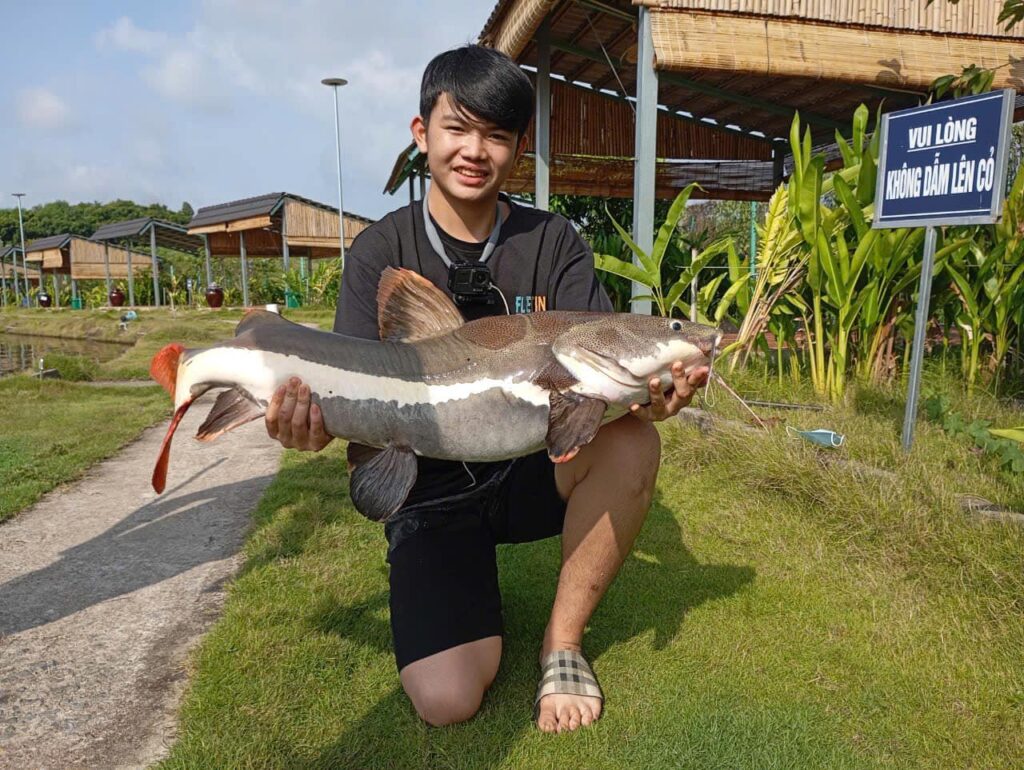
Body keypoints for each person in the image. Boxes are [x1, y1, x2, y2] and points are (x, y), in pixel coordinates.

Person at [265, 44, 709, 734]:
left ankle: (562, 644)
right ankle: (454, 583)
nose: (475, 151)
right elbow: (343, 398)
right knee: (447, 701)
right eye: (457, 129)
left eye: (497, 135)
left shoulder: (554, 240)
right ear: (422, 135)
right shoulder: (382, 251)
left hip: (533, 462)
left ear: (516, 149)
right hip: (426, 484)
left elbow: (605, 381)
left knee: (632, 442)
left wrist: (653, 396)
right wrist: (309, 424)